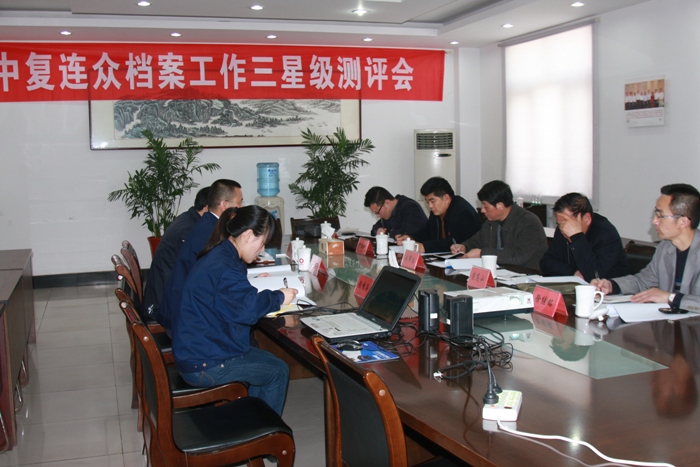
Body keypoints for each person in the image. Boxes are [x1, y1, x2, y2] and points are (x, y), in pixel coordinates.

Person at [172, 205, 297, 415]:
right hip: (206, 363)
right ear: (247, 235)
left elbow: (230, 294)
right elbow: (247, 311)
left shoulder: (222, 253)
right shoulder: (227, 266)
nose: (262, 249)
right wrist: (279, 297)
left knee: (269, 361)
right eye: (262, 242)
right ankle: (262, 429)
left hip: (198, 349)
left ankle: (251, 420)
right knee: (278, 371)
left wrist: (252, 283)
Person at [592, 184, 700, 312]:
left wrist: (670, 297)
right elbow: (642, 281)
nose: (654, 221)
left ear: (683, 221)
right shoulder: (665, 248)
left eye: (660, 215)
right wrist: (611, 285)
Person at [158, 179, 244, 334]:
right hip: (186, 321)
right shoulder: (211, 233)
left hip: (183, 309)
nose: (241, 208)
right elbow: (221, 279)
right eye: (239, 202)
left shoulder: (207, 223)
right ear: (224, 205)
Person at [142, 186, 209, 321]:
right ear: (208, 208)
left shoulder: (187, 219)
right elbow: (199, 272)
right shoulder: (190, 230)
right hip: (164, 306)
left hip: (164, 294)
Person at [451, 180, 548, 271]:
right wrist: (464, 247)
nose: (482, 210)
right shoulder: (491, 221)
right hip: (501, 272)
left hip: (527, 275)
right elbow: (477, 240)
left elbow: (518, 257)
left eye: (485, 206)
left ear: (500, 206)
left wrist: (482, 253)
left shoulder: (528, 222)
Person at [540, 192, 630, 281]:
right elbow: (546, 263)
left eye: (567, 223)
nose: (563, 228)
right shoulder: (562, 229)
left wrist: (576, 237)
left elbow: (594, 275)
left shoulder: (606, 234)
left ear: (586, 218)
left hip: (610, 288)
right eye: (559, 224)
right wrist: (572, 272)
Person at [396, 177, 481, 253]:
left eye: (432, 201)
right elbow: (427, 232)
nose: (430, 206)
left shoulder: (463, 212)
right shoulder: (437, 211)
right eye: (427, 202)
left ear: (446, 198)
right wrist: (411, 238)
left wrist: (425, 247)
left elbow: (457, 242)